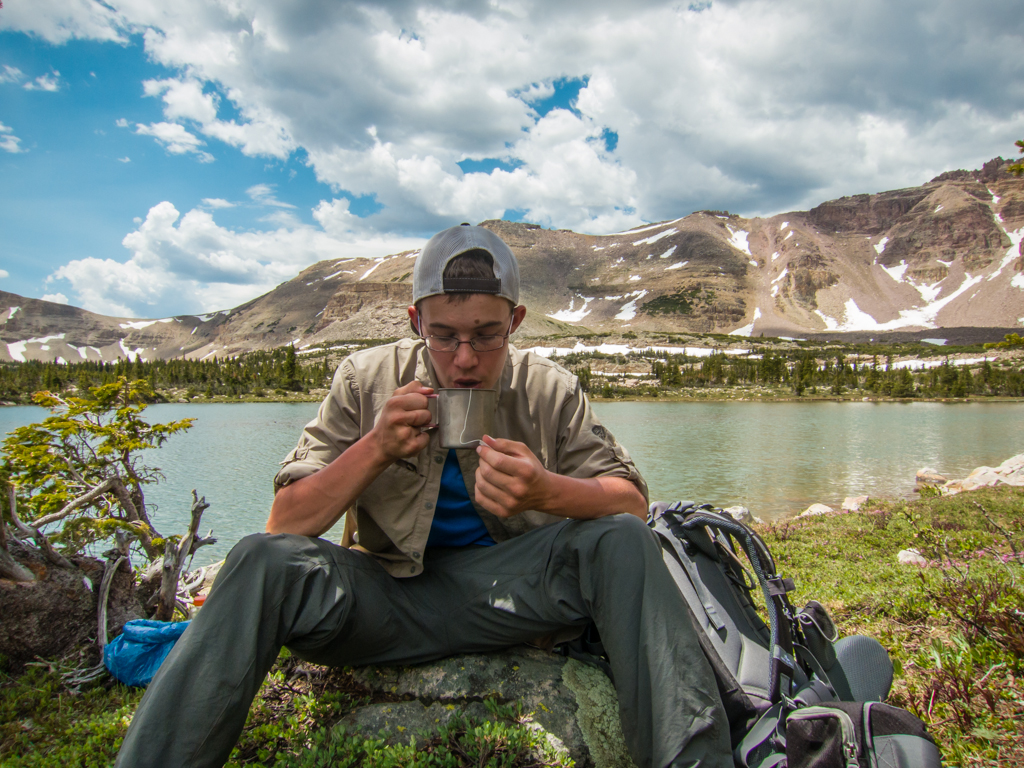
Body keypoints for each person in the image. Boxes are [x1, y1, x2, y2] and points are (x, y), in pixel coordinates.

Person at [115, 224, 732, 768]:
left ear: (515, 321)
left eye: (487, 336)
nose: (465, 360)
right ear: (415, 322)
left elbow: (629, 503)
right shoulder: (363, 379)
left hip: (518, 598)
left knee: (621, 541)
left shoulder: (550, 390)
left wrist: (548, 489)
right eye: (444, 337)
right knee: (259, 560)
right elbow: (286, 522)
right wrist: (375, 447)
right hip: (387, 599)